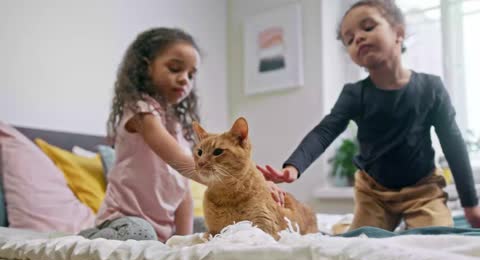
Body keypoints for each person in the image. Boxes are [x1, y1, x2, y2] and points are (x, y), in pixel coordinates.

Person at [257, 0, 480, 230]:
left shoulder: (431, 88)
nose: (358, 38)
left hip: (423, 190)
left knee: (435, 237)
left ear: (398, 33)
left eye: (368, 27)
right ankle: (344, 226)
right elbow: (325, 131)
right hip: (374, 194)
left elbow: (453, 144)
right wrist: (293, 167)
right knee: (362, 239)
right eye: (349, 40)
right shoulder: (354, 94)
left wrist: (471, 206)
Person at [79, 27, 205, 242]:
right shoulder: (141, 112)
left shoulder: (177, 127)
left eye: (191, 74)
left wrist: (183, 246)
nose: (185, 79)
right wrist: (234, 181)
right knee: (140, 231)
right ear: (145, 68)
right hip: (121, 223)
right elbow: (181, 163)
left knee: (209, 226)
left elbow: (183, 194)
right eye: (175, 68)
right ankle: (88, 240)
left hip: (158, 236)